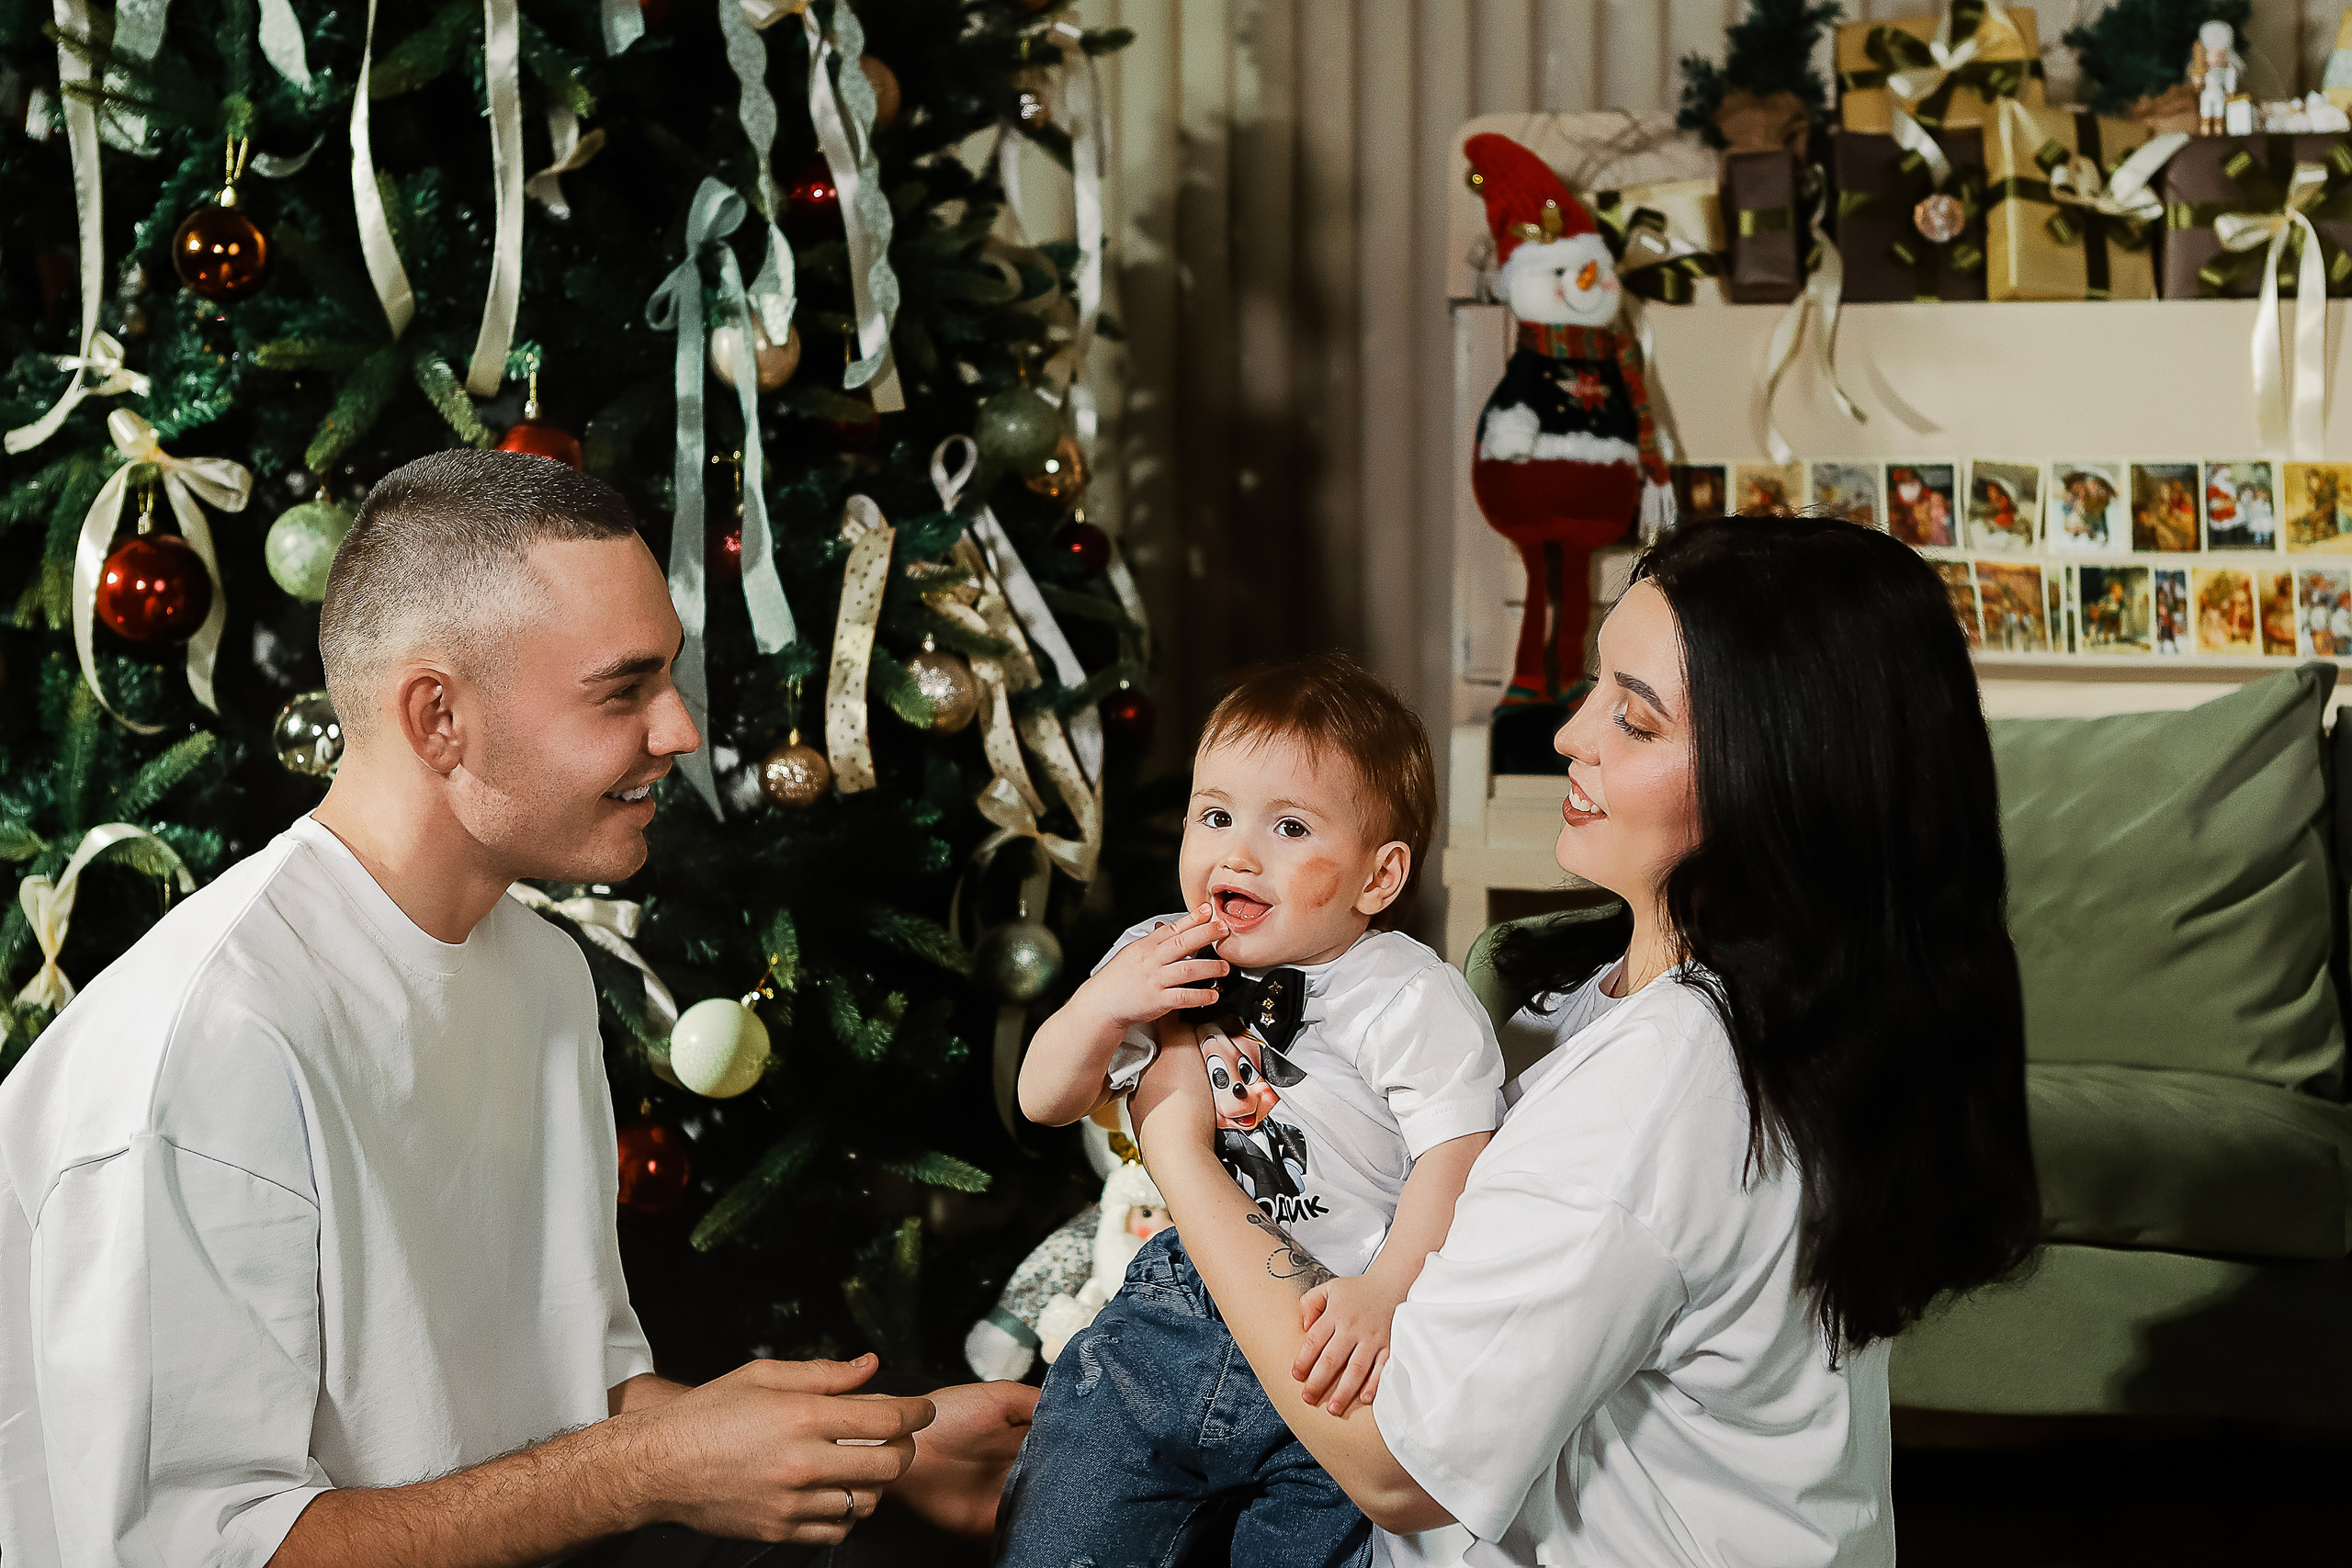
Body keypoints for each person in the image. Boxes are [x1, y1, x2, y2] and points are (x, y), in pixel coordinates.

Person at [0, 450, 1034, 1568]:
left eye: (668, 677)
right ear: (438, 717)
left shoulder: (542, 971)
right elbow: (198, 1554)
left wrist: (884, 1450)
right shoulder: (209, 1041)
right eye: (623, 689)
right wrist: (646, 1470)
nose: (680, 731)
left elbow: (571, 1402)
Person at [1125, 517, 2041, 1566]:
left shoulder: (1673, 1082)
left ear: (1776, 779)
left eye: (1635, 722)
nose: (1570, 735)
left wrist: (1175, 1140)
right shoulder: (1645, 1006)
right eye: (1594, 687)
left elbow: (1396, 1462)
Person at [999, 654, 1505, 1568]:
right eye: (1216, 815)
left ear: (1378, 877)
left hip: (1329, 1328)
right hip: (1172, 1306)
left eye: (1290, 826)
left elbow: (1456, 1153)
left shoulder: (1404, 993)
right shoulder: (1158, 956)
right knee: (1063, 1518)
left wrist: (1386, 1291)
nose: (1235, 854)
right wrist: (1103, 1005)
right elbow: (1044, 1098)